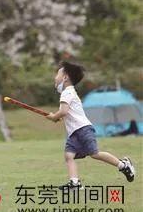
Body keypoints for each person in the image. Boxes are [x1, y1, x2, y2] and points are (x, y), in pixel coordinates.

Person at [46, 61, 136, 189]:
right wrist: (58, 116)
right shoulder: (69, 92)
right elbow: (67, 112)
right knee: (69, 156)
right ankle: (75, 182)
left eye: (57, 74)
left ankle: (123, 165)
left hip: (82, 129)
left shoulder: (66, 93)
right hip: (75, 132)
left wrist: (54, 117)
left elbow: (64, 111)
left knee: (95, 154)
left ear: (65, 78)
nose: (55, 77)